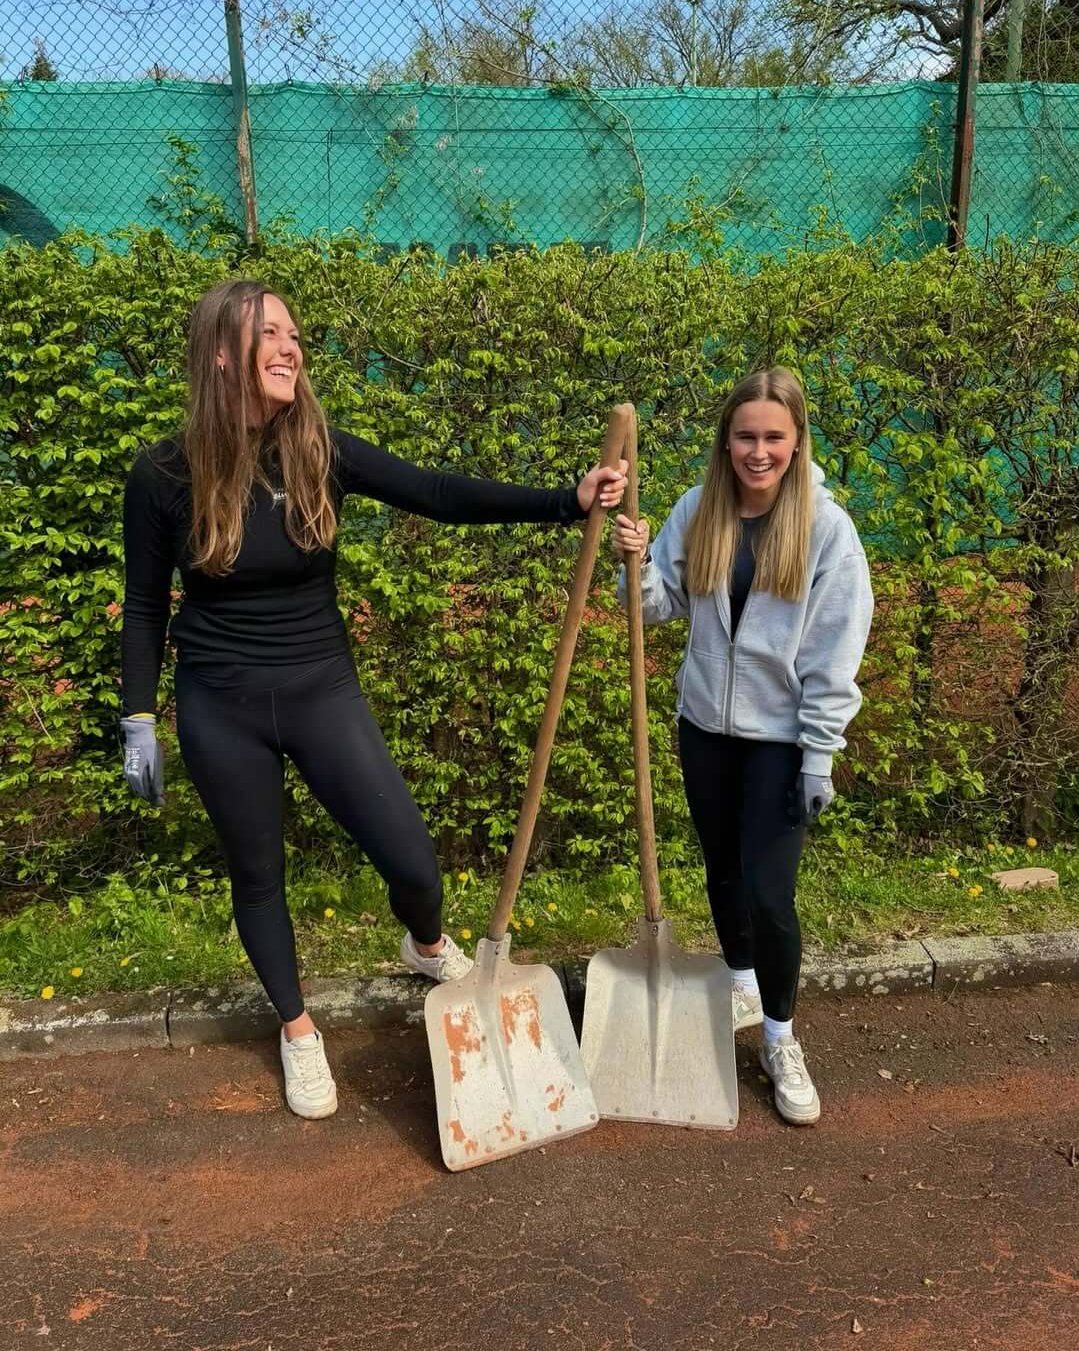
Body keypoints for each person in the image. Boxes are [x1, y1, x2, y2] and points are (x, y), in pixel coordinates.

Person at [119, 278, 627, 1120]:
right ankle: (297, 1031)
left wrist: (561, 503)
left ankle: (424, 942)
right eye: (269, 334)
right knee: (258, 874)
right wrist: (138, 714)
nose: (291, 347)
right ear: (221, 352)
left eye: (293, 334)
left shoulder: (320, 449)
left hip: (320, 687)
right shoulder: (164, 473)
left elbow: (436, 493)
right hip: (219, 701)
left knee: (412, 862)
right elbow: (143, 604)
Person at [611, 368, 872, 1126]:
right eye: (745, 437)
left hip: (780, 743)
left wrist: (819, 755)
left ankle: (781, 1037)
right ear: (725, 441)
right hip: (705, 731)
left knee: (768, 892)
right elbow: (656, 610)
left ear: (796, 441)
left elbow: (834, 652)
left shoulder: (827, 530)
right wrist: (640, 562)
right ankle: (740, 982)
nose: (758, 452)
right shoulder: (699, 509)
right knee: (722, 873)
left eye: (773, 438)